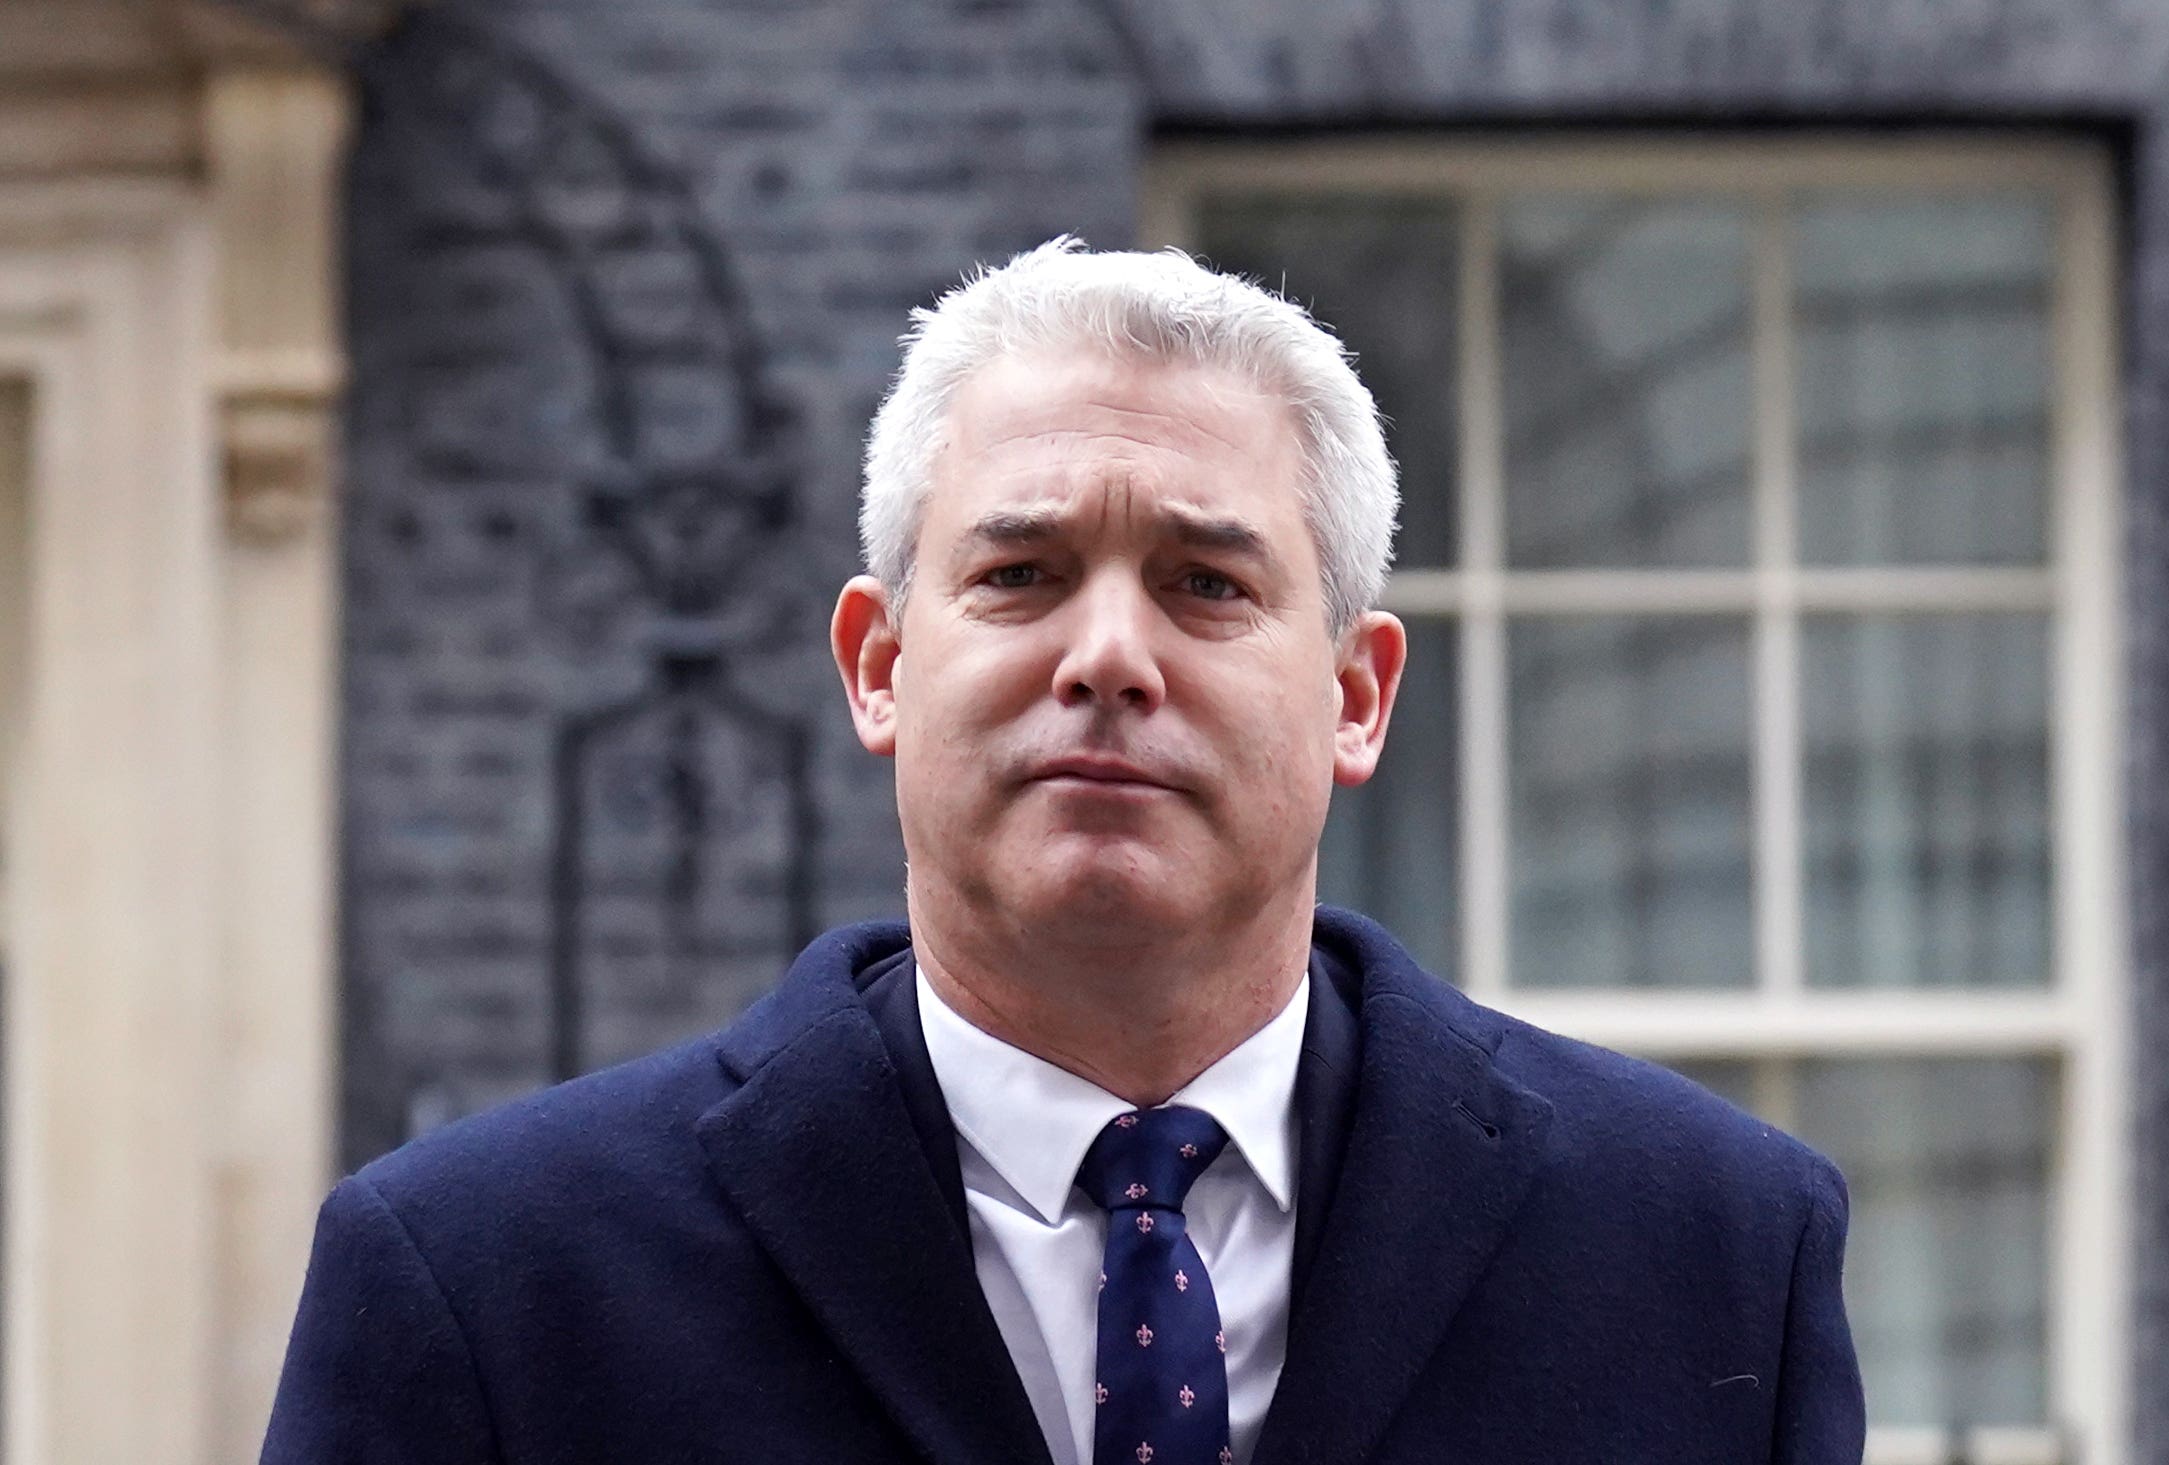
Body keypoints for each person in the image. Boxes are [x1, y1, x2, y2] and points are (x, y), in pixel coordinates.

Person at [261, 238, 1865, 1464]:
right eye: (1021, 572)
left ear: (1356, 693)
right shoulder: (482, 1286)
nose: (1108, 653)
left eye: (1206, 583)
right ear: (879, 665)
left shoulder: (1713, 1257)